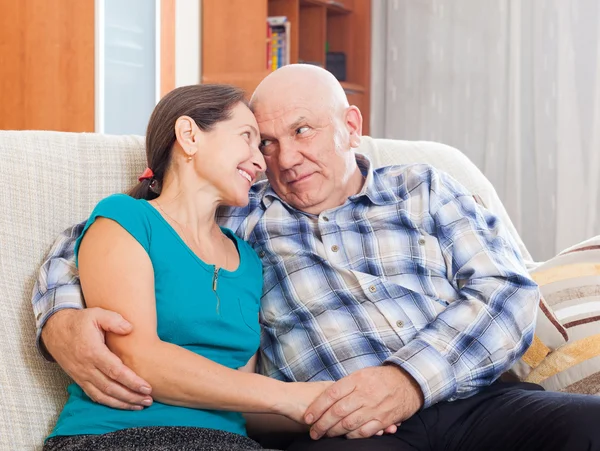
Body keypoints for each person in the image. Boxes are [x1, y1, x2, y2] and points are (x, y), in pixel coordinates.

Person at [33, 64, 600, 451]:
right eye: (266, 142)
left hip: (476, 398)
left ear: (350, 126)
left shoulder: (426, 187)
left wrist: (408, 380)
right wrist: (59, 320)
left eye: (303, 130)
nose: (283, 158)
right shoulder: (242, 209)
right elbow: (100, 234)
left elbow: (507, 292)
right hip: (343, 428)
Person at [41, 83, 334, 451]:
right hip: (119, 436)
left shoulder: (248, 261)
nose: (261, 162)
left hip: (228, 443)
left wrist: (330, 406)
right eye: (247, 137)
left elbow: (239, 394)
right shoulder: (127, 219)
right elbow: (139, 358)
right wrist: (289, 396)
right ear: (189, 135)